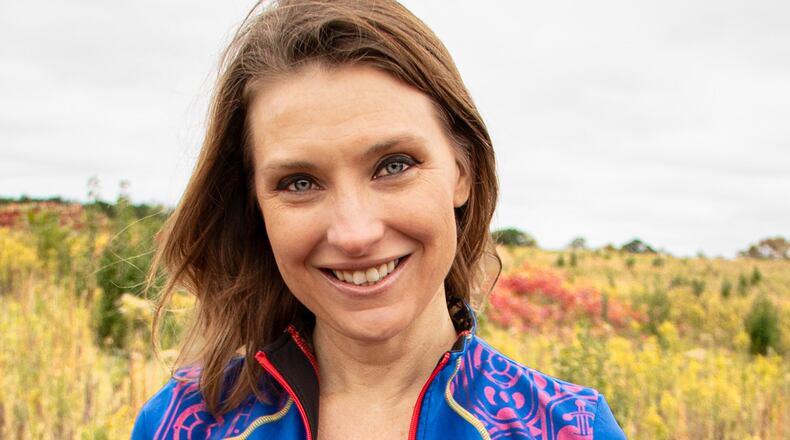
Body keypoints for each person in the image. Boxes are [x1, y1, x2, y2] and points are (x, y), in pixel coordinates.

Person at [132, 0, 628, 439]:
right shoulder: (181, 423)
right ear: (256, 208)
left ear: (463, 171)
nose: (355, 233)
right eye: (300, 182)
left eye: (394, 165)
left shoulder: (569, 429)